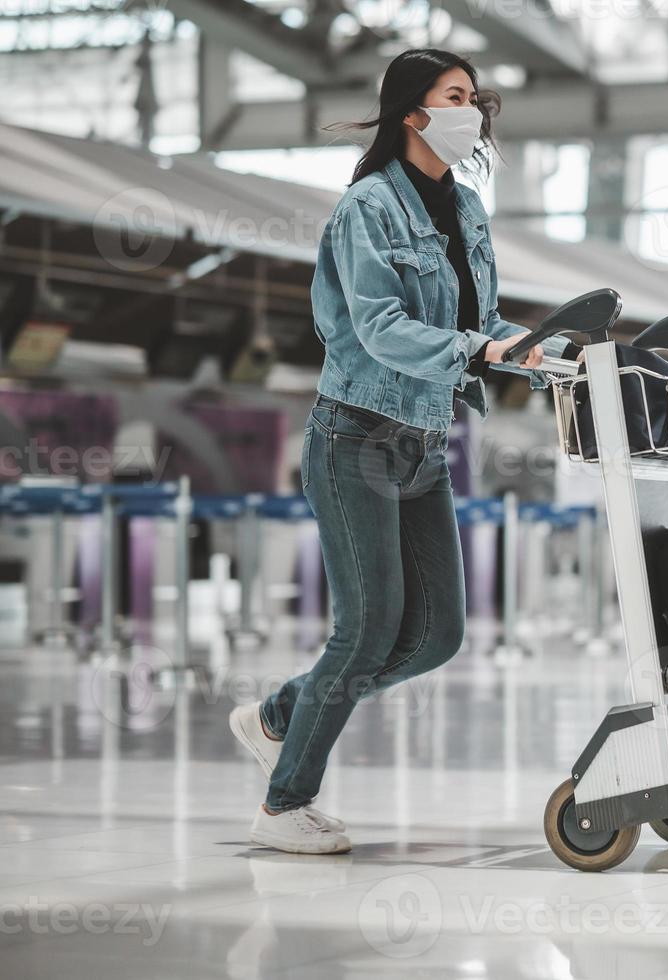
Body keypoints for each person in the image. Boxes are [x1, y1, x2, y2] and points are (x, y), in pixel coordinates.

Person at [228, 48, 573, 854]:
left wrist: (529, 346)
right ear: (411, 114)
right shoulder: (366, 210)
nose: (474, 111)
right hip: (354, 435)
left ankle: (283, 714)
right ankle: (284, 806)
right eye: (456, 97)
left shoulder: (469, 207)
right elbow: (378, 328)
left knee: (438, 634)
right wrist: (475, 350)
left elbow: (481, 319)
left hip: (423, 441)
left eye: (475, 97)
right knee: (367, 627)